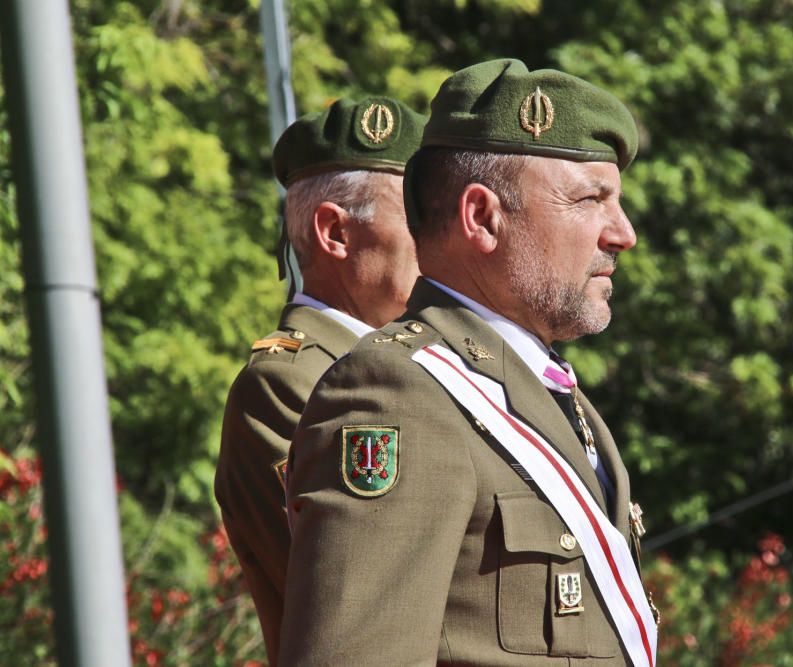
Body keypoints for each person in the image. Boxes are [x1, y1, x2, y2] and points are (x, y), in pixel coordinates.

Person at [281, 60, 658, 666]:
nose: (623, 233)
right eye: (591, 198)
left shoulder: (548, 392)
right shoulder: (396, 392)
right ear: (483, 218)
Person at [215, 95, 427, 665]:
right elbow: (369, 601)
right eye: (417, 214)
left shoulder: (431, 362)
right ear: (335, 232)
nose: (440, 239)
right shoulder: (287, 385)